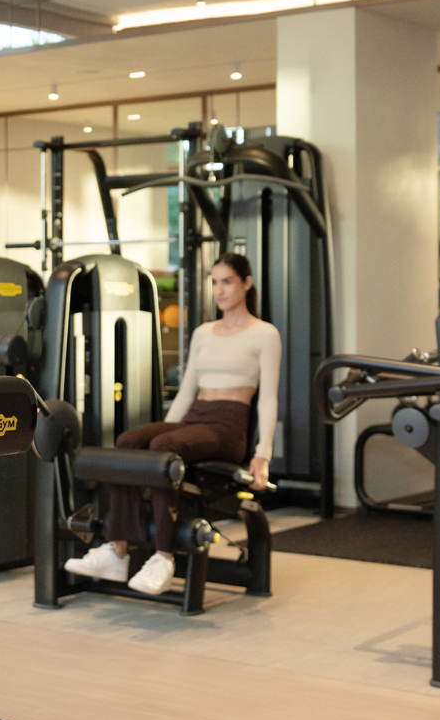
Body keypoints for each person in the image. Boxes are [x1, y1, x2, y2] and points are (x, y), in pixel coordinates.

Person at [64, 253, 279, 595]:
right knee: (128, 441)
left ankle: (164, 558)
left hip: (229, 426)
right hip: (196, 416)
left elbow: (268, 397)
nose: (219, 290)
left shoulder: (265, 334)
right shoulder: (204, 333)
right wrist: (166, 434)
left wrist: (262, 454)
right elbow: (187, 391)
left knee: (164, 447)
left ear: (247, 283)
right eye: (214, 282)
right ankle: (117, 551)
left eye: (227, 281)